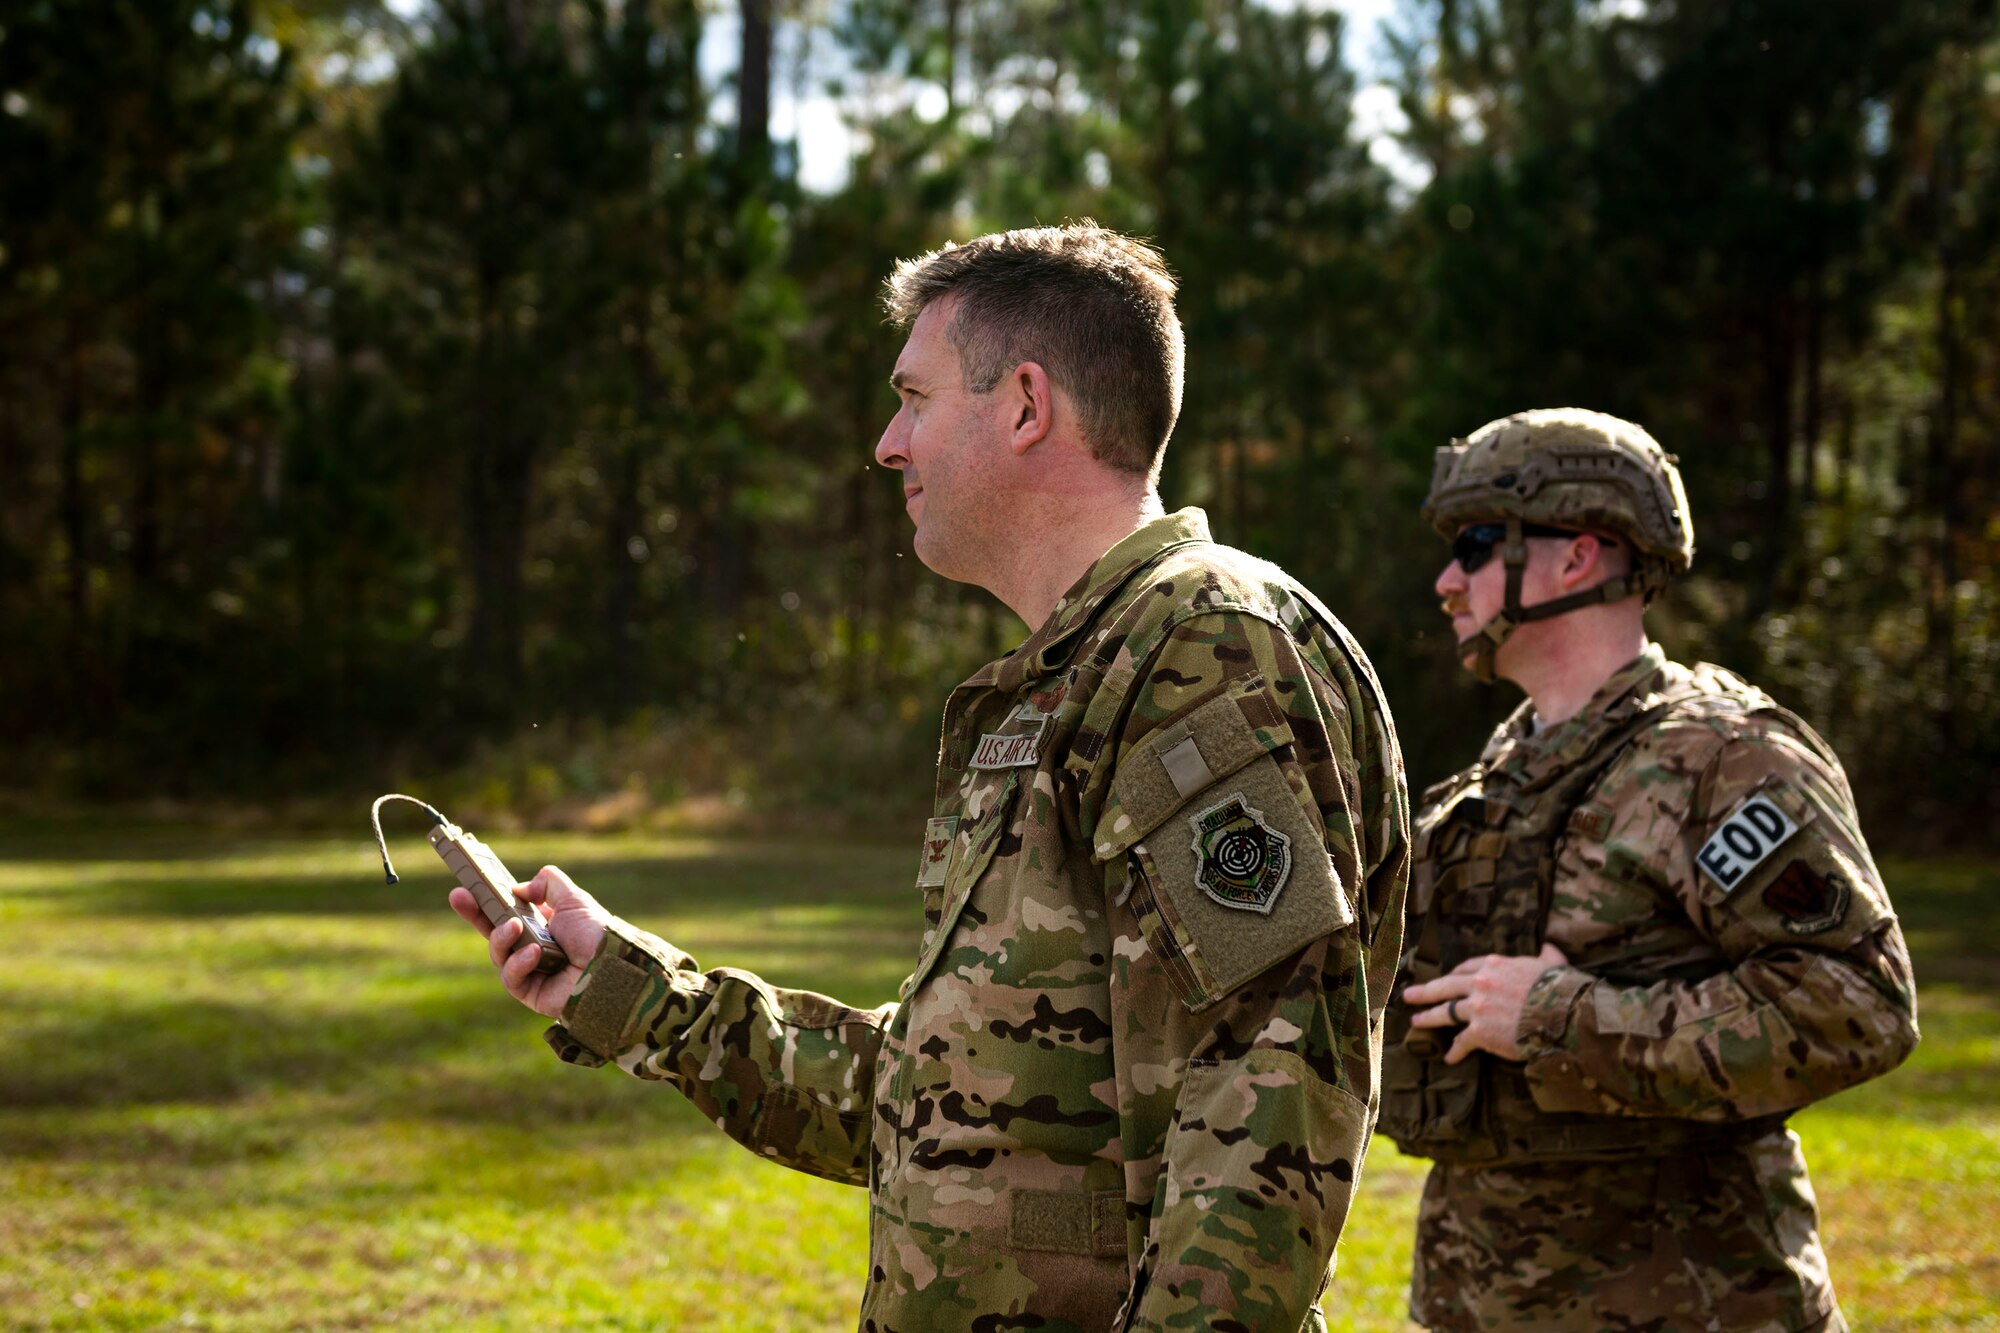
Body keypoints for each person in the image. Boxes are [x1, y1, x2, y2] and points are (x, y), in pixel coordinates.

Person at [450, 222, 1410, 1332]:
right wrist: (631, 992)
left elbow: (1269, 1097)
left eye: (912, 396)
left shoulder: (1199, 647)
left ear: (1022, 405)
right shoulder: (1073, 673)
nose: (884, 443)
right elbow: (932, 1101)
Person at [1385, 407, 1920, 1332]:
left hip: (1690, 1303)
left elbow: (1857, 1003)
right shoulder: (1507, 768)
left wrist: (1558, 1016)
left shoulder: (1721, 756)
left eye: (1475, 544)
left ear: (1581, 555)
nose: (1445, 580)